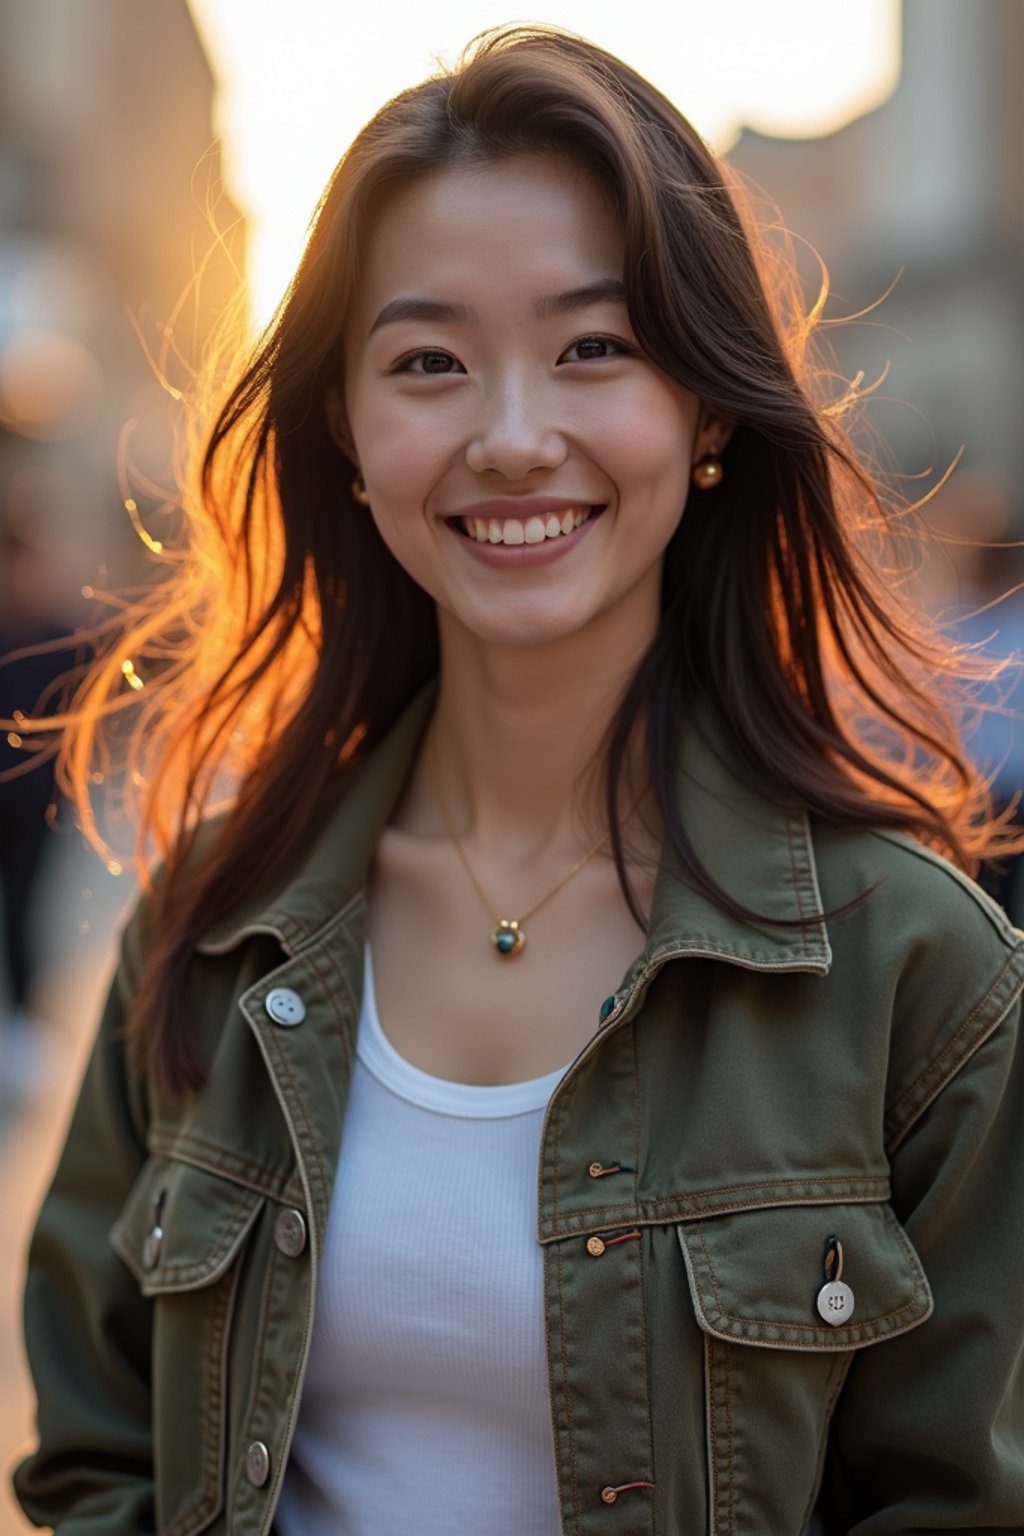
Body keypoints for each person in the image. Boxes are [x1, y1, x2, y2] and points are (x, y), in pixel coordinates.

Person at [11, 25, 1024, 1535]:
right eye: (428, 362)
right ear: (347, 435)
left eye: (593, 348)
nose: (511, 435)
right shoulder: (212, 929)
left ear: (707, 415)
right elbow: (98, 1458)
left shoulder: (920, 976)